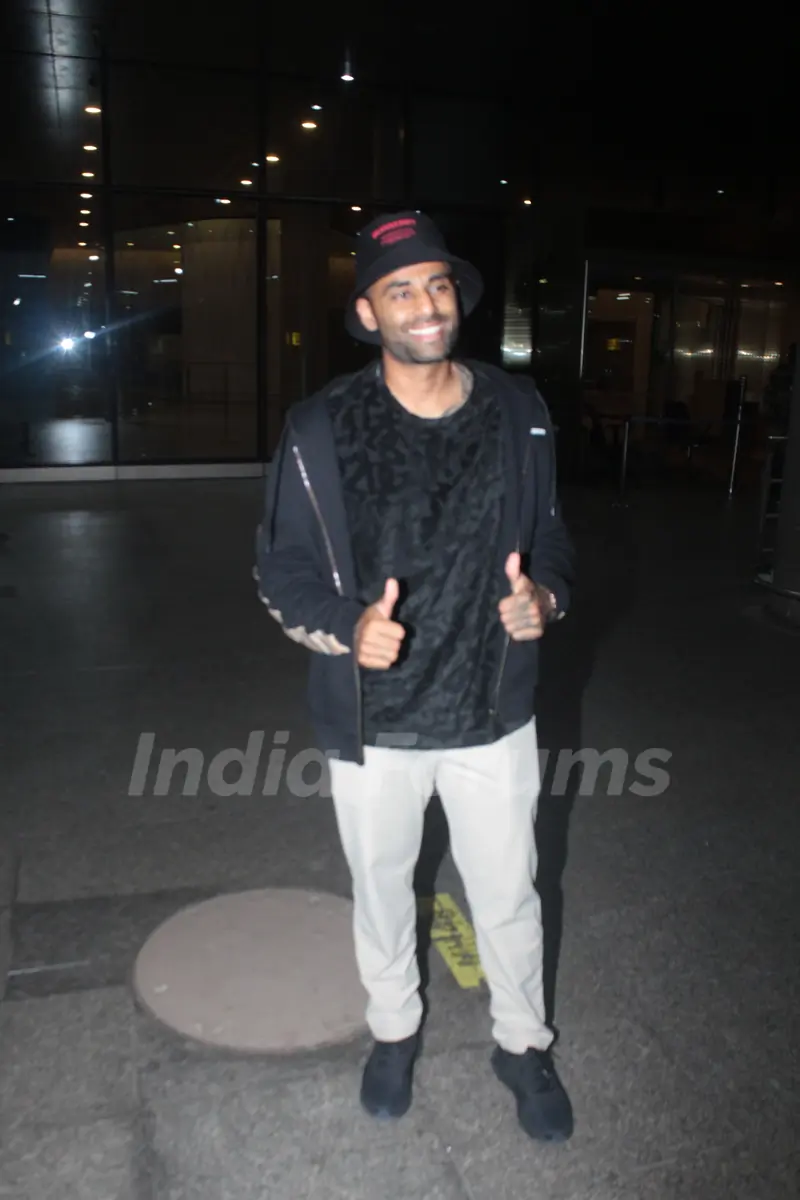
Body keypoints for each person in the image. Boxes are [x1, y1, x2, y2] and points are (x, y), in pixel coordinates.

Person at [255, 211, 576, 1142]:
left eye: (436, 284)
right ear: (368, 310)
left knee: (510, 893)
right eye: (401, 288)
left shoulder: (521, 412)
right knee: (383, 890)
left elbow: (552, 537)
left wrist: (544, 601)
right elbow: (281, 570)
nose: (425, 304)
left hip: (491, 708)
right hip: (372, 717)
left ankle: (522, 1044)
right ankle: (393, 1032)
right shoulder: (320, 427)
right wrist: (345, 628)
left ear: (458, 298)